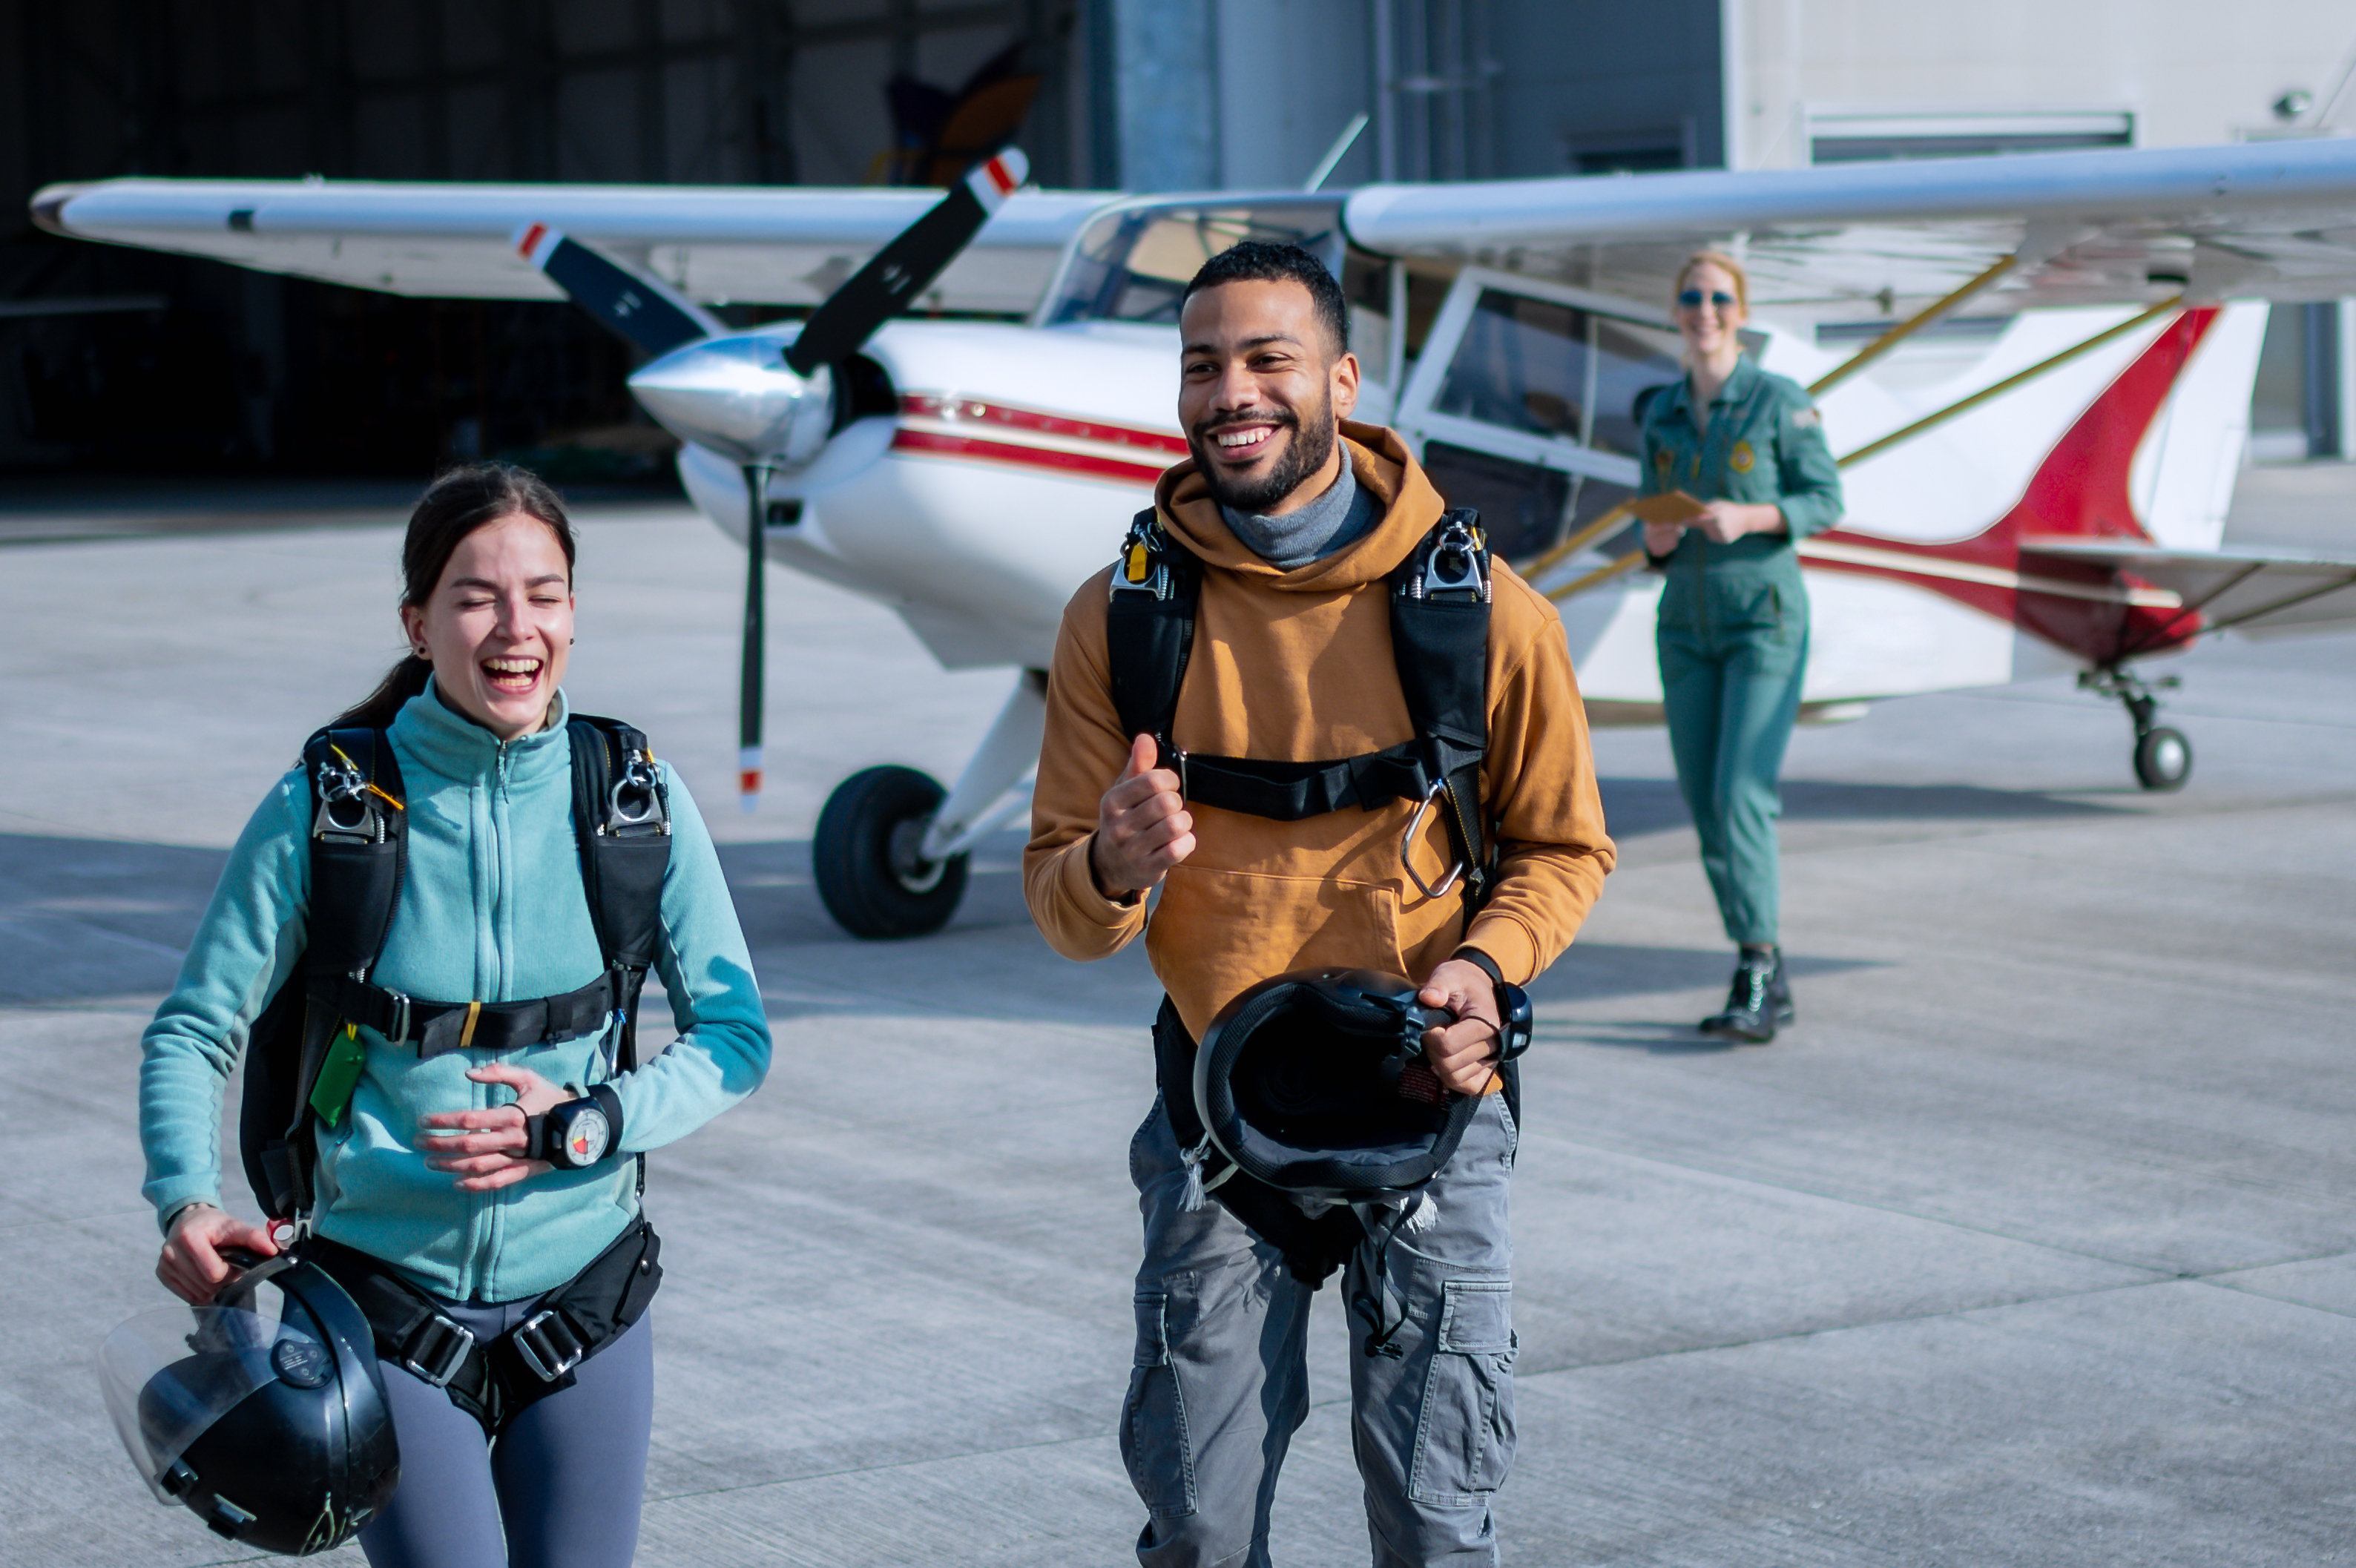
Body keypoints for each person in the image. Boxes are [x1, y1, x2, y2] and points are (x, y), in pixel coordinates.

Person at [1024, 242, 1614, 1568]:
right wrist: (1114, 862)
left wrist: (1486, 964)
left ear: (1342, 379)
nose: (1231, 391)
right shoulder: (1119, 623)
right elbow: (1062, 906)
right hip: (1216, 1124)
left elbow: (1565, 850)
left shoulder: (1486, 613)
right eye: (1202, 364)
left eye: (1267, 359)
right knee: (1200, 1528)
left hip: (1432, 1106)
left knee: (1436, 1523)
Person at [140, 464, 771, 1568]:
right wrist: (183, 1198)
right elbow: (196, 1026)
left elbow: (736, 1036)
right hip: (380, 1312)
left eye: (545, 592)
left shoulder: (633, 800)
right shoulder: (332, 809)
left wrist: (585, 1123)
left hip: (588, 1303)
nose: (515, 626)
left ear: (575, 611)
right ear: (419, 623)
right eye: (477, 596)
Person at [1637, 251, 1843, 1044]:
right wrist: (1653, 536)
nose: (1703, 309)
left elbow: (1825, 496)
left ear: (1740, 309)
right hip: (1684, 628)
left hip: (1761, 618)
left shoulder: (1777, 400)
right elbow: (1651, 531)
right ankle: (1766, 968)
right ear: (1675, 310)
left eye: (1718, 297)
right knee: (1703, 801)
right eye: (1689, 296)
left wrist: (1749, 517)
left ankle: (1755, 964)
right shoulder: (1660, 410)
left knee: (1738, 794)